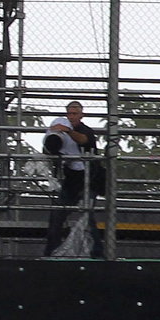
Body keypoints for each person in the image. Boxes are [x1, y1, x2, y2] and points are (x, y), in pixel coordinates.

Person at [43, 101, 105, 258]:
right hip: (70, 181)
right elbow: (50, 149)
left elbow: (84, 140)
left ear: (81, 115)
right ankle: (50, 252)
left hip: (89, 179)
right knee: (56, 216)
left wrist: (68, 131)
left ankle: (97, 254)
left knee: (87, 216)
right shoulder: (60, 132)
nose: (71, 117)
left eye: (74, 114)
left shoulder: (84, 131)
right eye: (69, 114)